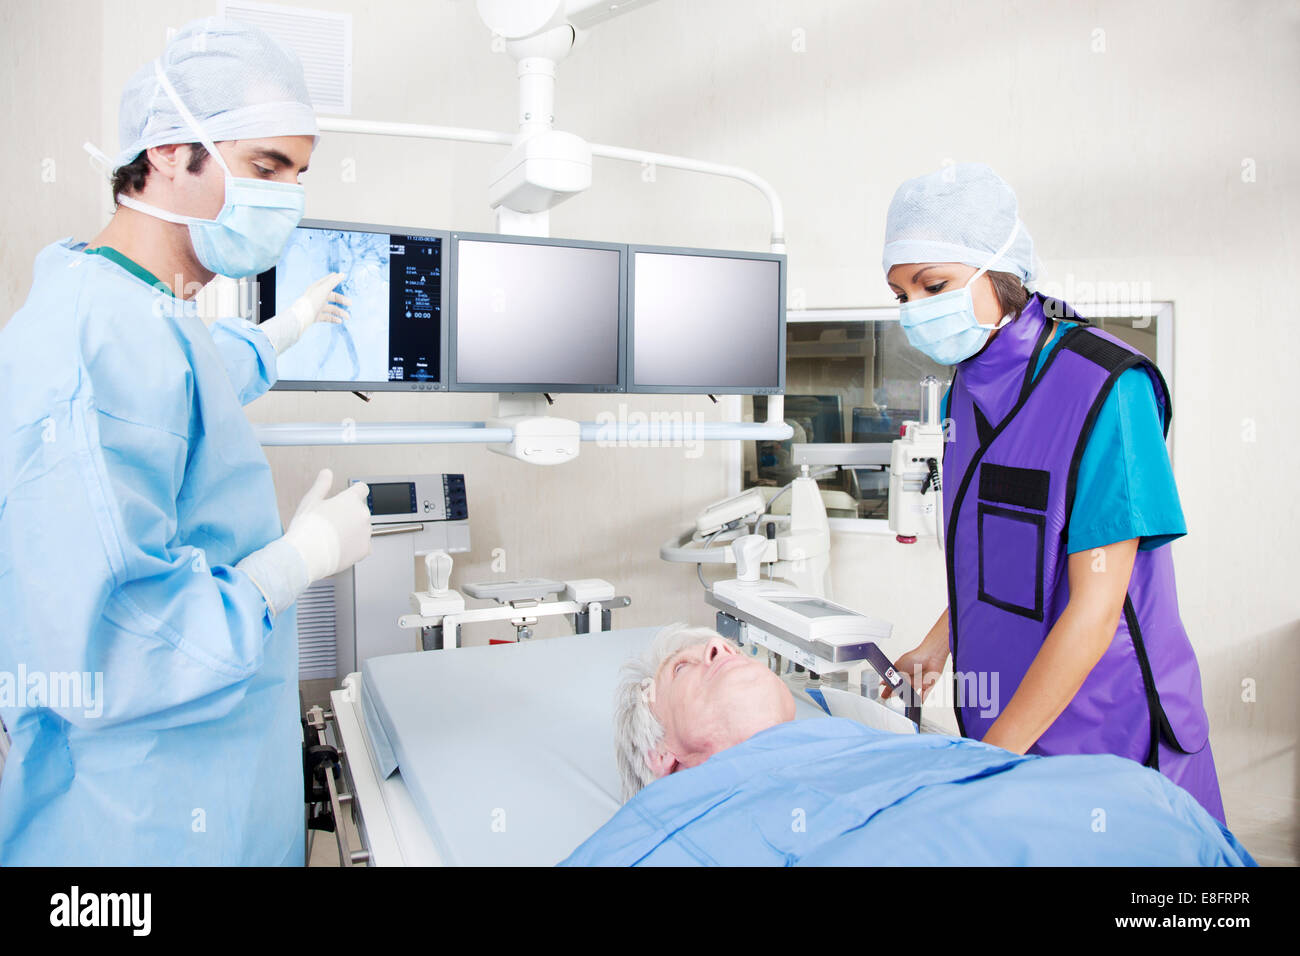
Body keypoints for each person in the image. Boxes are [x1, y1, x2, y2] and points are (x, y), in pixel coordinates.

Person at [0, 17, 372, 865]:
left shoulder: (143, 308)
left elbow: (188, 383)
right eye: (266, 168)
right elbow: (114, 645)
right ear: (168, 150)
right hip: (134, 828)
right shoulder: (83, 344)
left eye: (299, 175)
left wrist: (282, 333)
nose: (286, 198)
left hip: (218, 792)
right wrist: (298, 562)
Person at [874, 163, 1224, 823]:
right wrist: (936, 644)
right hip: (1002, 720)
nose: (916, 312)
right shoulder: (967, 390)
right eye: (901, 295)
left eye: (934, 286)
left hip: (1108, 732)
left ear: (1000, 270)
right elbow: (998, 557)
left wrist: (991, 760)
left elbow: (1096, 607)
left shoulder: (1106, 387)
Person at [568, 626, 1251, 866]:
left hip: (1142, 820)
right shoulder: (657, 821)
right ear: (664, 758)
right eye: (685, 667)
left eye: (715, 643)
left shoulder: (869, 747)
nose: (718, 645)